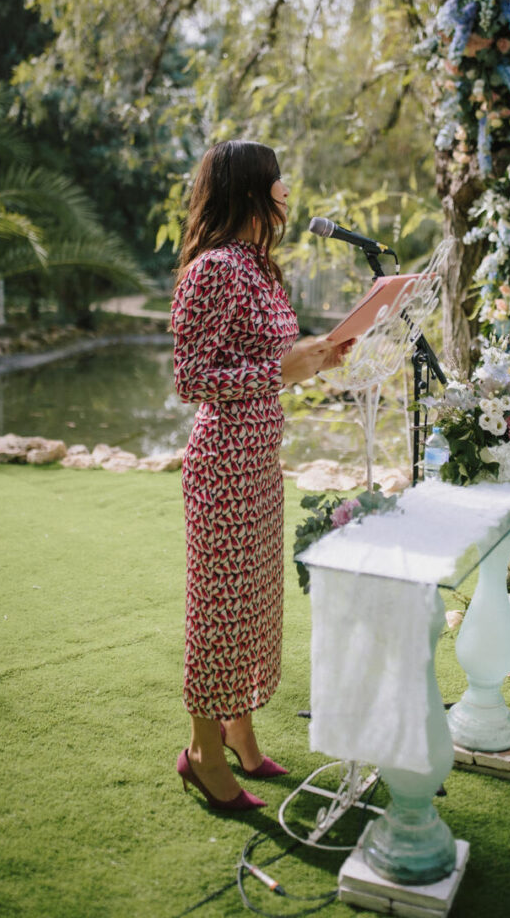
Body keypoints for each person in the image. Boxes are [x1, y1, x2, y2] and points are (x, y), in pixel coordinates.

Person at [171, 139, 353, 812]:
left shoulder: (258, 267)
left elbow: (271, 363)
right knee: (217, 612)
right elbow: (192, 380)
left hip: (259, 462)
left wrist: (318, 358)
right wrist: (283, 371)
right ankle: (201, 752)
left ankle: (241, 730)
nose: (286, 188)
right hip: (220, 466)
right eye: (276, 178)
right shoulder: (214, 268)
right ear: (250, 189)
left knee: (253, 606)